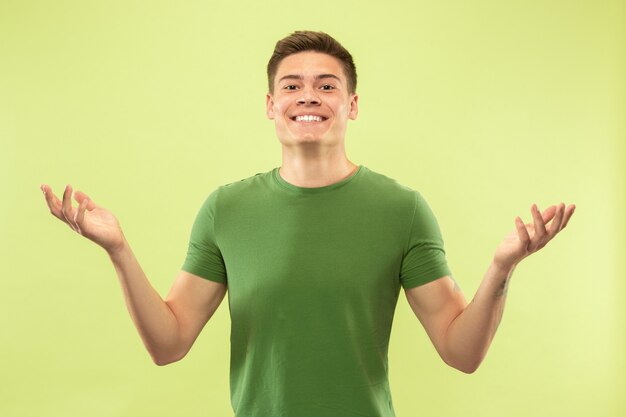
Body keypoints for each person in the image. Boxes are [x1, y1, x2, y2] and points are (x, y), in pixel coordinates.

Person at [41, 31, 576, 417]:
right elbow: (169, 343)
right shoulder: (226, 209)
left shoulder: (402, 209)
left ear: (352, 104)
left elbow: (462, 352)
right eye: (292, 86)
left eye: (326, 86)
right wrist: (117, 249)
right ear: (271, 105)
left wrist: (503, 267)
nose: (309, 97)